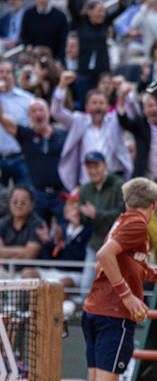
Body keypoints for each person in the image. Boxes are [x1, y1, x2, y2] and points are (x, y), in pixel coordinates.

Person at [69, 177, 157, 381]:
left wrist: (149, 273)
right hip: (113, 314)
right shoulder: (138, 225)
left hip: (95, 309)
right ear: (153, 205)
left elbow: (110, 263)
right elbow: (103, 257)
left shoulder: (120, 222)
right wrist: (127, 296)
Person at [53, 71, 133, 191]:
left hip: (114, 182)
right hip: (87, 182)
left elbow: (132, 111)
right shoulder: (79, 121)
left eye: (101, 103)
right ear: (87, 107)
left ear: (107, 106)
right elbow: (56, 112)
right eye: (94, 103)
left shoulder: (115, 120)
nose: (97, 107)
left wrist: (125, 90)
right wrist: (62, 85)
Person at [0, 95, 67, 227]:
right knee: (39, 235)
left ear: (48, 112)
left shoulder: (63, 134)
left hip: (61, 193)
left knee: (64, 234)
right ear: (29, 116)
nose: (38, 114)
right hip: (38, 195)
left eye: (41, 110)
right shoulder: (26, 135)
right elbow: (2, 119)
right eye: (33, 111)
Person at [78, 152, 126, 297]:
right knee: (86, 288)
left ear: (105, 165)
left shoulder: (119, 184)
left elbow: (122, 216)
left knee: (119, 288)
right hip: (96, 244)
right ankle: (85, 318)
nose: (92, 171)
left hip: (118, 246)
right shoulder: (85, 189)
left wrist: (97, 215)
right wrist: (78, 217)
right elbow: (84, 220)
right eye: (89, 167)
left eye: (96, 166)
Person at [68, 0, 127, 103]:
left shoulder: (105, 22)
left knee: (104, 100)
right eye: (99, 10)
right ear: (89, 11)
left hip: (102, 69)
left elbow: (121, 8)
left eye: (103, 11)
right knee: (85, 100)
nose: (101, 14)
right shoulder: (81, 22)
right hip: (84, 70)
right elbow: (71, 6)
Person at [116, 86, 157, 180]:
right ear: (144, 110)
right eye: (150, 106)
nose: (154, 109)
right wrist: (121, 98)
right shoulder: (140, 125)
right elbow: (124, 121)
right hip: (148, 179)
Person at [0, 61, 33, 188]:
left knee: (25, 197)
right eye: (1, 72)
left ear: (14, 75)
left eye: (8, 72)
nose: (4, 75)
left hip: (21, 158)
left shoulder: (27, 99)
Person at [0, 185, 44, 262]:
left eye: (23, 202)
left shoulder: (38, 224)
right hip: (5, 270)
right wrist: (22, 251)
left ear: (32, 205)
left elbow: (30, 255)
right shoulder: (2, 222)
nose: (19, 205)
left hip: (31, 270)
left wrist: (5, 253)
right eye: (15, 201)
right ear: (9, 203)